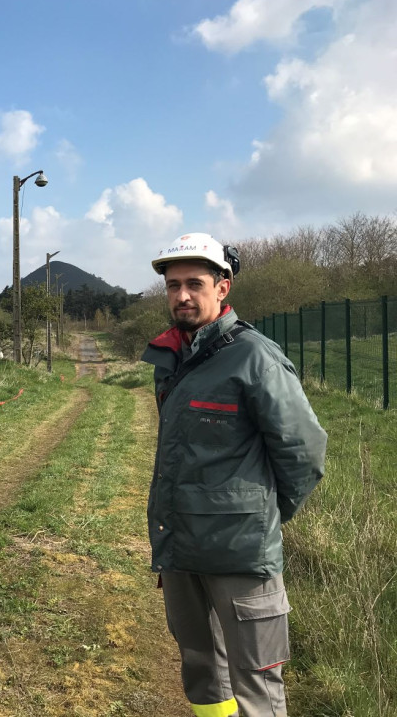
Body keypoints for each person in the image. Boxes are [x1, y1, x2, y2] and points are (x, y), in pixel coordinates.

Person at [141, 233, 327, 717]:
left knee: (257, 683)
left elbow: (304, 453)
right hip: (181, 547)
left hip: (241, 554)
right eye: (172, 284)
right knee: (202, 670)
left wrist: (260, 515)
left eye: (194, 284)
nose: (181, 295)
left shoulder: (255, 357)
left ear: (223, 288)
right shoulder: (174, 357)